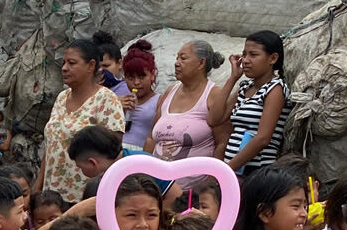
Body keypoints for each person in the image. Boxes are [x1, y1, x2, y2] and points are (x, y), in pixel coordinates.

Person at [39, 39, 125, 202]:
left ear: (91, 65)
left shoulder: (106, 100)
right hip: (52, 199)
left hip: (85, 198)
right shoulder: (61, 98)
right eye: (63, 63)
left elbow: (113, 155)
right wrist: (37, 189)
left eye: (72, 63)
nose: (64, 68)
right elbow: (50, 146)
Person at [209, 31, 291, 175]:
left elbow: (262, 138)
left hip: (256, 172)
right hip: (235, 170)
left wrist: (226, 171)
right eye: (244, 54)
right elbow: (213, 119)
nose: (245, 60)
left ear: (273, 58)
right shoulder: (245, 88)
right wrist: (233, 78)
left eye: (253, 55)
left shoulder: (275, 89)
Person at [144, 40, 227, 173]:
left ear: (201, 63)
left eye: (183, 58)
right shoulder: (170, 92)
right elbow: (150, 138)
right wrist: (143, 171)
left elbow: (222, 142)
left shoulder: (214, 94)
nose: (176, 63)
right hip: (158, 184)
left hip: (195, 188)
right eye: (177, 58)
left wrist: (213, 180)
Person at [118, 41, 161, 150]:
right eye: (131, 78)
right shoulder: (118, 99)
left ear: (152, 74)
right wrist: (116, 108)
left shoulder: (160, 101)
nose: (136, 83)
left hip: (142, 155)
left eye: (142, 77)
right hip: (117, 154)